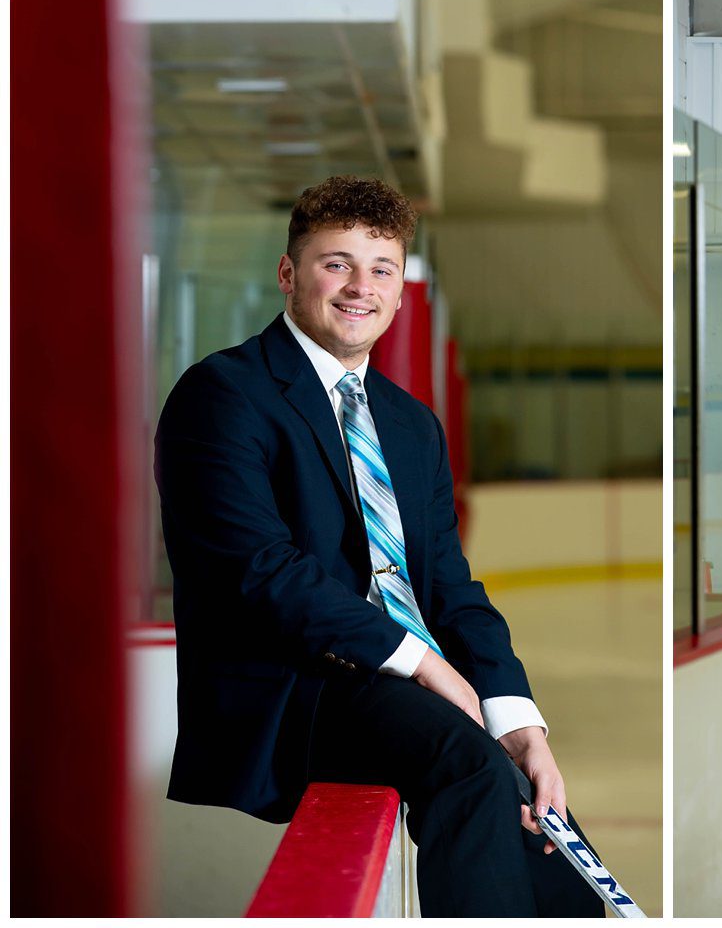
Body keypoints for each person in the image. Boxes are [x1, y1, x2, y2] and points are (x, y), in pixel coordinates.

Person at [154, 176, 603, 917]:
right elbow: (262, 574)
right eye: (337, 264)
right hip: (298, 687)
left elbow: (451, 585)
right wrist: (425, 665)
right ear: (288, 273)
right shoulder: (223, 394)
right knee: (469, 766)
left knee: (533, 799)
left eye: (382, 269)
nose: (361, 287)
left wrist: (519, 720)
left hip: (392, 682)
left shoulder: (409, 422)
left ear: (400, 288)